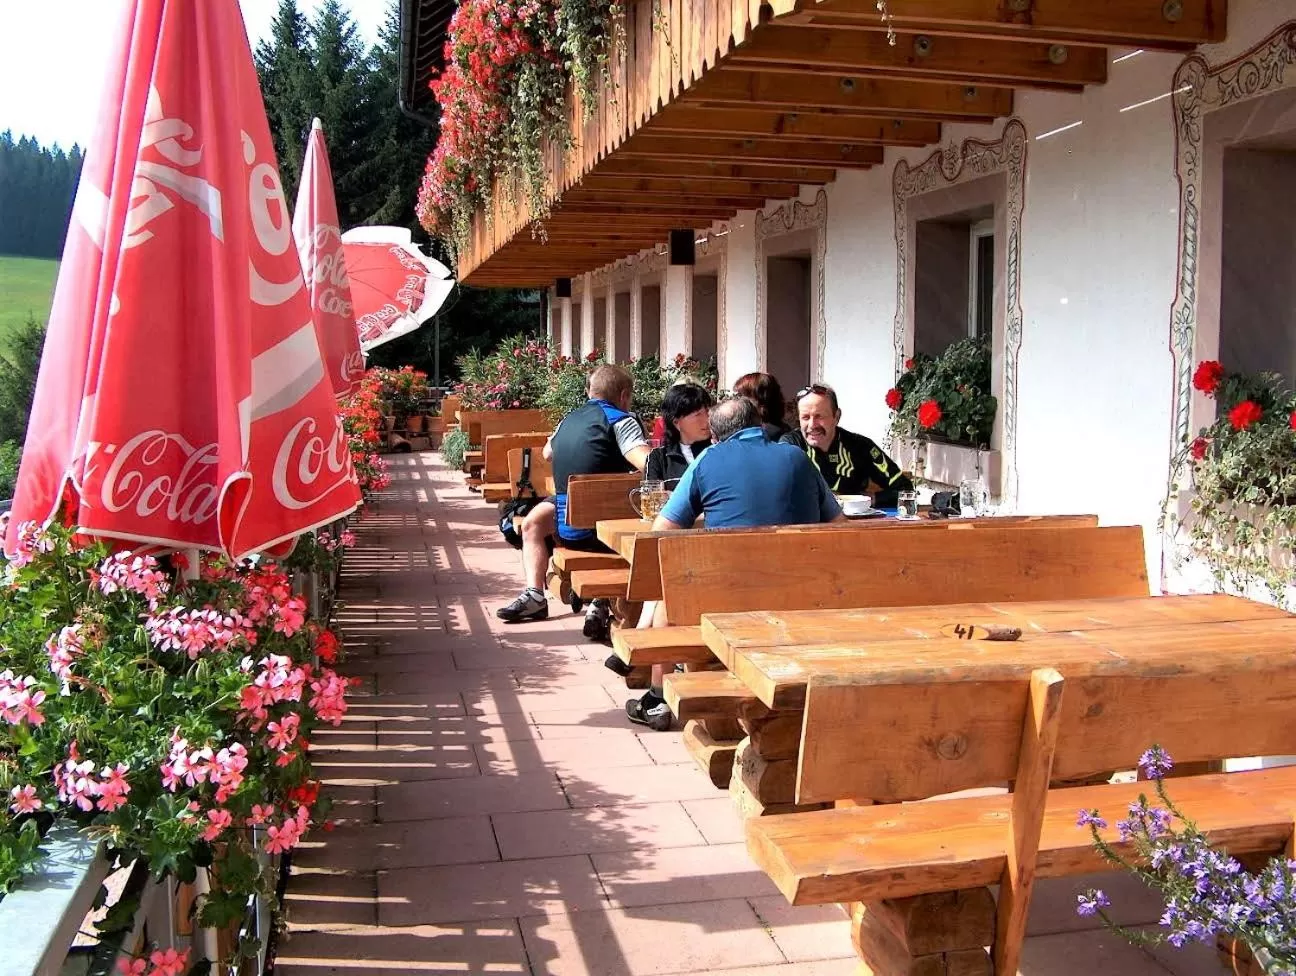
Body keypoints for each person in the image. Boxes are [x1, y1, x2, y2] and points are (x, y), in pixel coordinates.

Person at [624, 398, 843, 731]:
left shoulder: (709, 460)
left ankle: (657, 698)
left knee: (671, 597)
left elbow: (662, 532)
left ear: (715, 436)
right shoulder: (797, 457)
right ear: (760, 425)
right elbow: (839, 526)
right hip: (804, 599)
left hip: (731, 600)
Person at [496, 364, 649, 625]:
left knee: (532, 524)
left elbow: (548, 454)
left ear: (590, 392)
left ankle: (537, 595)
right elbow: (645, 462)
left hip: (568, 525)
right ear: (624, 395)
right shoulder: (622, 421)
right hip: (601, 525)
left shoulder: (568, 419)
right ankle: (597, 602)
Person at [782, 383, 914, 508]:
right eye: (805, 417)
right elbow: (777, 490)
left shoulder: (860, 446)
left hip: (851, 522)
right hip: (806, 522)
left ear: (837, 417)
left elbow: (905, 490)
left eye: (819, 416)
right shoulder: (790, 445)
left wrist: (870, 500)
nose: (812, 425)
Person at [645, 380, 714, 483]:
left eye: (708, 411)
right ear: (676, 422)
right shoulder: (659, 458)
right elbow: (652, 491)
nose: (707, 419)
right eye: (698, 414)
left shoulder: (717, 451)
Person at [732, 372, 791, 441]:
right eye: (738, 396)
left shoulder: (766, 436)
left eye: (742, 396)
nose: (738, 401)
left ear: (762, 400)